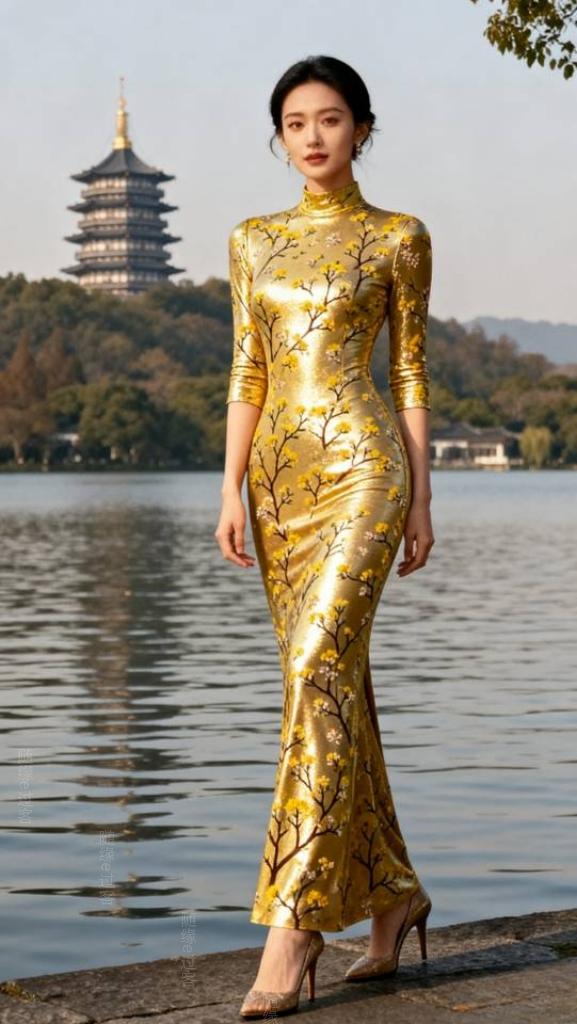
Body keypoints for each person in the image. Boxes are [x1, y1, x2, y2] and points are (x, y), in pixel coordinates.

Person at [215, 54, 435, 1019]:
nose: (312, 136)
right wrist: (229, 486)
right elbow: (248, 371)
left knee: (314, 668)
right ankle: (391, 897)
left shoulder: (397, 237)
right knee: (333, 686)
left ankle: (295, 922)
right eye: (295, 122)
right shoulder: (252, 240)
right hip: (276, 488)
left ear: (362, 129)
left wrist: (421, 498)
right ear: (279, 137)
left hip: (365, 471)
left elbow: (410, 373)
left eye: (331, 118)